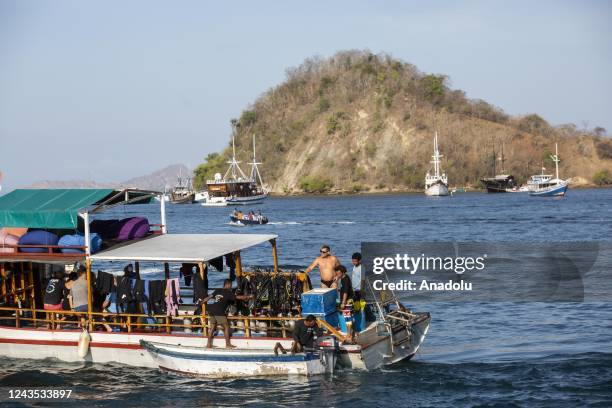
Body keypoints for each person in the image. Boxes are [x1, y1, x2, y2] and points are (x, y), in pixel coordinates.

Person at [202, 279, 252, 348]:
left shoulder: (218, 290)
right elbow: (237, 297)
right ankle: (228, 344)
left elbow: (209, 297)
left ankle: (208, 344)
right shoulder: (228, 292)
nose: (231, 287)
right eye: (231, 285)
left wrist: (202, 302)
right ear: (228, 284)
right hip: (219, 311)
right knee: (226, 327)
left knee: (212, 327)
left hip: (211, 310)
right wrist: (247, 297)